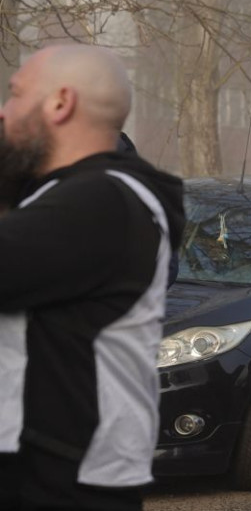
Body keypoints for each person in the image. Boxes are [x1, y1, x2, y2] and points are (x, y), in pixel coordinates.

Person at [0, 45, 185, 510]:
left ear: (60, 103)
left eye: (15, 94)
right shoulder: (63, 197)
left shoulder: (103, 200)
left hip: (65, 480)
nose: (4, 112)